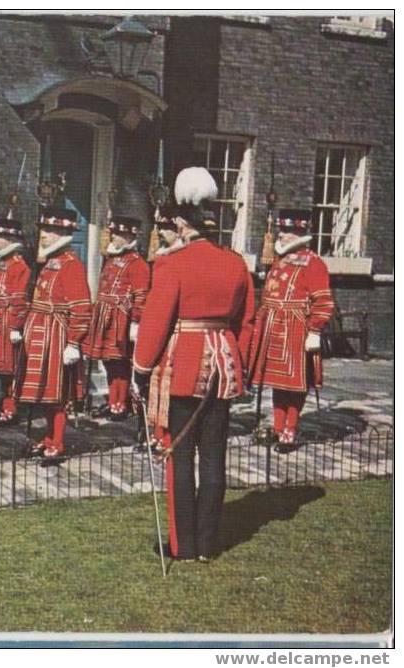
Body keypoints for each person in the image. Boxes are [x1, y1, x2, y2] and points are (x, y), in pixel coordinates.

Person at [133, 167, 255, 562]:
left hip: (184, 364)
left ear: (184, 223)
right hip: (225, 366)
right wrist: (242, 365)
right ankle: (208, 544)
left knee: (179, 456)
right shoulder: (236, 263)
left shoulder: (173, 264)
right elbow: (246, 322)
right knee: (215, 456)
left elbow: (155, 322)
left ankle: (183, 545)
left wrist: (141, 367)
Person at [247, 208, 334, 452]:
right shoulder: (279, 260)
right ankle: (277, 427)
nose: (281, 235)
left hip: (297, 327)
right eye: (281, 230)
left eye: (287, 231)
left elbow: (323, 300)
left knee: (295, 384)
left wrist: (315, 330)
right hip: (273, 324)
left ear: (300, 232)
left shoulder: (314, 263)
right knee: (276, 382)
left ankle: (290, 430)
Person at [15, 207, 92, 459]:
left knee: (57, 391)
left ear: (63, 233)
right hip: (39, 330)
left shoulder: (72, 265)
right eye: (43, 229)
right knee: (44, 391)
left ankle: (57, 441)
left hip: (57, 333)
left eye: (50, 230)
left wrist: (74, 342)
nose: (44, 235)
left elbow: (81, 307)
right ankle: (47, 437)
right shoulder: (48, 262)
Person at [82, 215, 150, 420]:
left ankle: (121, 404)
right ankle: (112, 401)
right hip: (105, 316)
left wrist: (134, 320)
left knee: (120, 363)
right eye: (114, 233)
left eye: (120, 234)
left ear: (131, 236)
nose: (114, 237)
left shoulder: (138, 264)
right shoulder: (111, 259)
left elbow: (141, 295)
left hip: (122, 319)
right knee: (108, 362)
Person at [0, 216, 31, 426]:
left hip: (8, 321)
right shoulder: (2, 264)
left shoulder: (18, 265)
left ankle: (12, 407)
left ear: (9, 239)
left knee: (11, 368)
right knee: (1, 369)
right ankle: (4, 405)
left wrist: (15, 326)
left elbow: (19, 297)